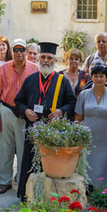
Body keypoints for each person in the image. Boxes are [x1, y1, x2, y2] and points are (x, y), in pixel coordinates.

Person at [15, 42, 77, 200]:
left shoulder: (61, 81)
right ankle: (27, 195)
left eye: (49, 58)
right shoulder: (30, 80)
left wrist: (61, 111)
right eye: (43, 57)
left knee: (50, 165)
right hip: (33, 129)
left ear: (55, 61)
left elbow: (72, 102)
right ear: (38, 59)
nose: (46, 60)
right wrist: (26, 111)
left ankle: (48, 197)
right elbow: (18, 101)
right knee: (29, 162)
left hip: (53, 131)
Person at [0, 39, 39, 194]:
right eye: (16, 49)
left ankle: (22, 181)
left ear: (25, 51)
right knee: (5, 147)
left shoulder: (34, 69)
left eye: (22, 49)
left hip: (24, 113)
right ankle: (5, 181)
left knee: (23, 149)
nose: (19, 53)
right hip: (6, 109)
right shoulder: (4, 68)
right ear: (11, 51)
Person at [74, 65, 107, 189]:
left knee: (106, 170)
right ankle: (87, 192)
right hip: (87, 141)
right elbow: (78, 119)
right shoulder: (84, 95)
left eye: (101, 76)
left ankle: (105, 195)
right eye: (96, 76)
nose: (99, 79)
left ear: (106, 78)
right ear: (92, 78)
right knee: (87, 168)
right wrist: (75, 139)